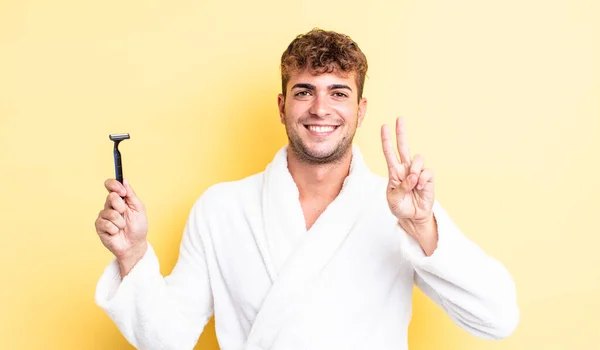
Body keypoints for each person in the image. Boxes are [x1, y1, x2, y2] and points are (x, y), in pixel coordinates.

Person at [95, 28, 519, 350]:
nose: (321, 109)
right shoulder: (221, 209)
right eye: (304, 92)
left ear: (360, 110)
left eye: (338, 92)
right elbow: (166, 339)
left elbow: (497, 318)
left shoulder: (401, 211)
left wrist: (424, 227)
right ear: (282, 107)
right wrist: (132, 254)